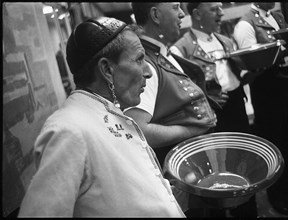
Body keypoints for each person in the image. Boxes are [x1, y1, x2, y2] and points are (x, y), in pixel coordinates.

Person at [18, 17, 186, 217]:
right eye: (140, 59)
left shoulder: (109, 112)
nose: (148, 72)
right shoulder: (69, 129)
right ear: (107, 69)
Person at [170, 3, 257, 217]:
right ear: (197, 14)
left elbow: (239, 76)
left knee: (244, 161)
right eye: (214, 9)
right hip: (210, 116)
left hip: (236, 106)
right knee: (214, 172)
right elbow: (182, 93)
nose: (221, 13)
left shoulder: (226, 41)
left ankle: (247, 212)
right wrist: (207, 97)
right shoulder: (181, 49)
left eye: (221, 8)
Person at [234, 2, 288, 215]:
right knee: (275, 145)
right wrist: (281, 54)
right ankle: (277, 195)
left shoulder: (278, 16)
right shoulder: (245, 25)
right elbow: (252, 65)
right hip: (268, 93)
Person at [126, 2, 218, 167]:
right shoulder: (147, 64)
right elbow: (139, 129)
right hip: (179, 172)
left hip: (188, 164)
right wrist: (191, 130)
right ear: (155, 15)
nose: (182, 14)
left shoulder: (158, 53)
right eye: (176, 7)